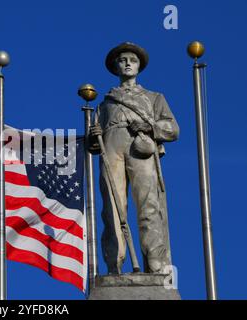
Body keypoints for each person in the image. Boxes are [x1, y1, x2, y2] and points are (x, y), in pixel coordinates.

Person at [88, 42, 179, 274]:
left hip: (141, 149)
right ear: (116, 66)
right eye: (123, 60)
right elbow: (92, 145)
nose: (128, 63)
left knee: (148, 206)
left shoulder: (153, 97)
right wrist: (93, 135)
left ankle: (154, 262)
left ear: (139, 66)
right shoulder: (104, 103)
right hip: (111, 149)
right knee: (112, 207)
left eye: (133, 60)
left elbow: (172, 129)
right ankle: (114, 262)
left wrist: (149, 126)